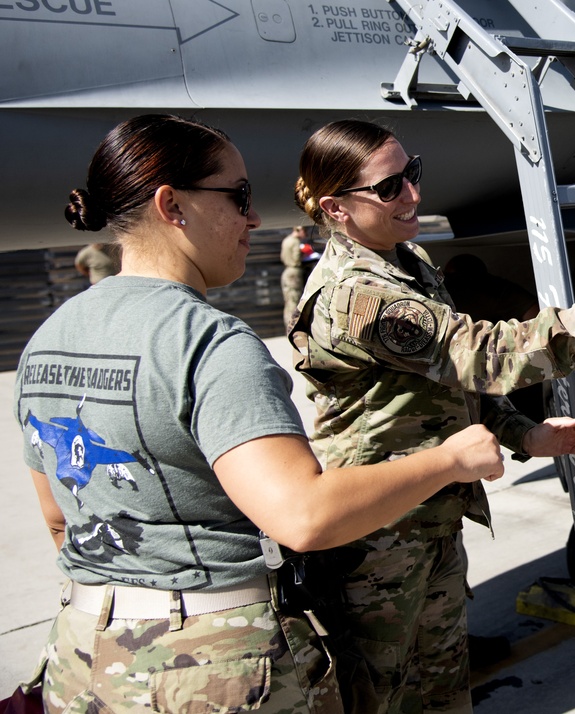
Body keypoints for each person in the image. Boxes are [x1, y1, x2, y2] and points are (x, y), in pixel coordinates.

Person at [13, 114, 504, 713]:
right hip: (208, 671)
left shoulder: (48, 339)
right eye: (238, 196)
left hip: (85, 661)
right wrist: (450, 459)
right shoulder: (206, 342)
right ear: (172, 206)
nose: (253, 218)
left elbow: (59, 517)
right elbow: (305, 514)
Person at [288, 119, 575, 714]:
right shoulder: (360, 295)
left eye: (413, 174)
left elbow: (455, 383)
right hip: (376, 539)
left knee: (443, 689)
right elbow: (484, 356)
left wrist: (523, 432)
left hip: (428, 519)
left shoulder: (405, 262)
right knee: (376, 697)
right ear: (337, 209)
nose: (412, 194)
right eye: (389, 188)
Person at [280, 225, 317, 326]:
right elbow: (296, 259)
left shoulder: (286, 240)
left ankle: (288, 324)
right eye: (305, 231)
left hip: (287, 271)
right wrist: (304, 254)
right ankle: (293, 325)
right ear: (299, 229)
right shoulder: (295, 242)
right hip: (295, 272)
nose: (306, 234)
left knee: (288, 300)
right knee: (294, 300)